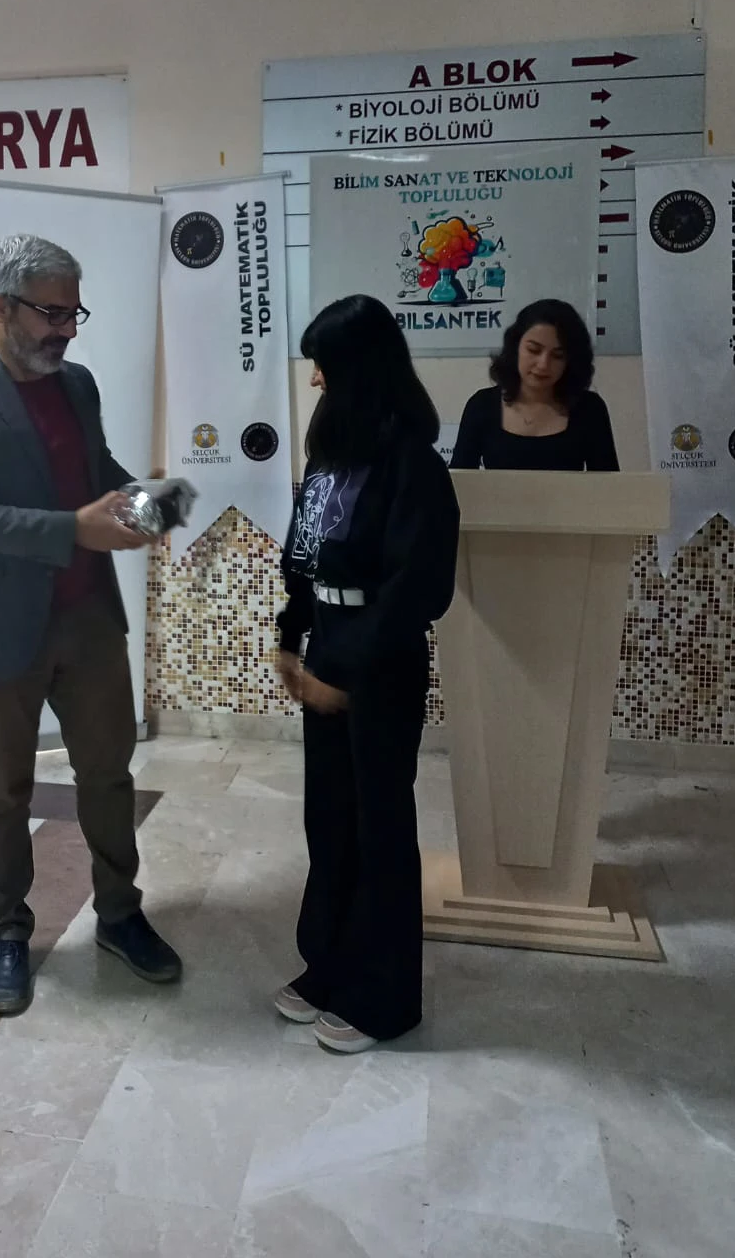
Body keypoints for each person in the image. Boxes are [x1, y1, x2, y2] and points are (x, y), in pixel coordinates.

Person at [0, 233, 182, 1017]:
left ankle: (120, 914)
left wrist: (151, 503)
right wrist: (73, 529)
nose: (66, 330)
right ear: (0, 306)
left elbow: (95, 473)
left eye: (74, 314)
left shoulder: (76, 384)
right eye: (52, 314)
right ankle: (7, 930)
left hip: (87, 617)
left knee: (109, 774)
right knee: (2, 790)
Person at [274, 295, 459, 1054]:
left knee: (378, 826)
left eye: (325, 364)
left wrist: (346, 672)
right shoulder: (331, 455)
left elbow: (420, 590)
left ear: (360, 370)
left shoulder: (413, 465)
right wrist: (291, 635)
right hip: (327, 646)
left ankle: (384, 999)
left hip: (379, 665)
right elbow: (306, 554)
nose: (315, 378)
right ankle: (330, 965)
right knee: (329, 819)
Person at [451, 298, 619, 472]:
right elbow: (459, 480)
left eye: (557, 356)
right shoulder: (482, 405)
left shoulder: (590, 408)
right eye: (534, 350)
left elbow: (608, 483)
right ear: (515, 347)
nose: (543, 365)